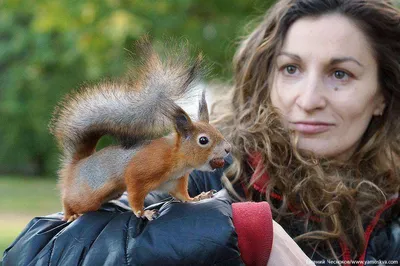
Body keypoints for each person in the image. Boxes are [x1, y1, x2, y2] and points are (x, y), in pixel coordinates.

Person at [2, 0, 400, 265]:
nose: (308, 98)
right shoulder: (215, 171)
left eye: (340, 73)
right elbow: (36, 251)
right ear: (268, 77)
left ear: (382, 95)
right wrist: (242, 232)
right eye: (291, 69)